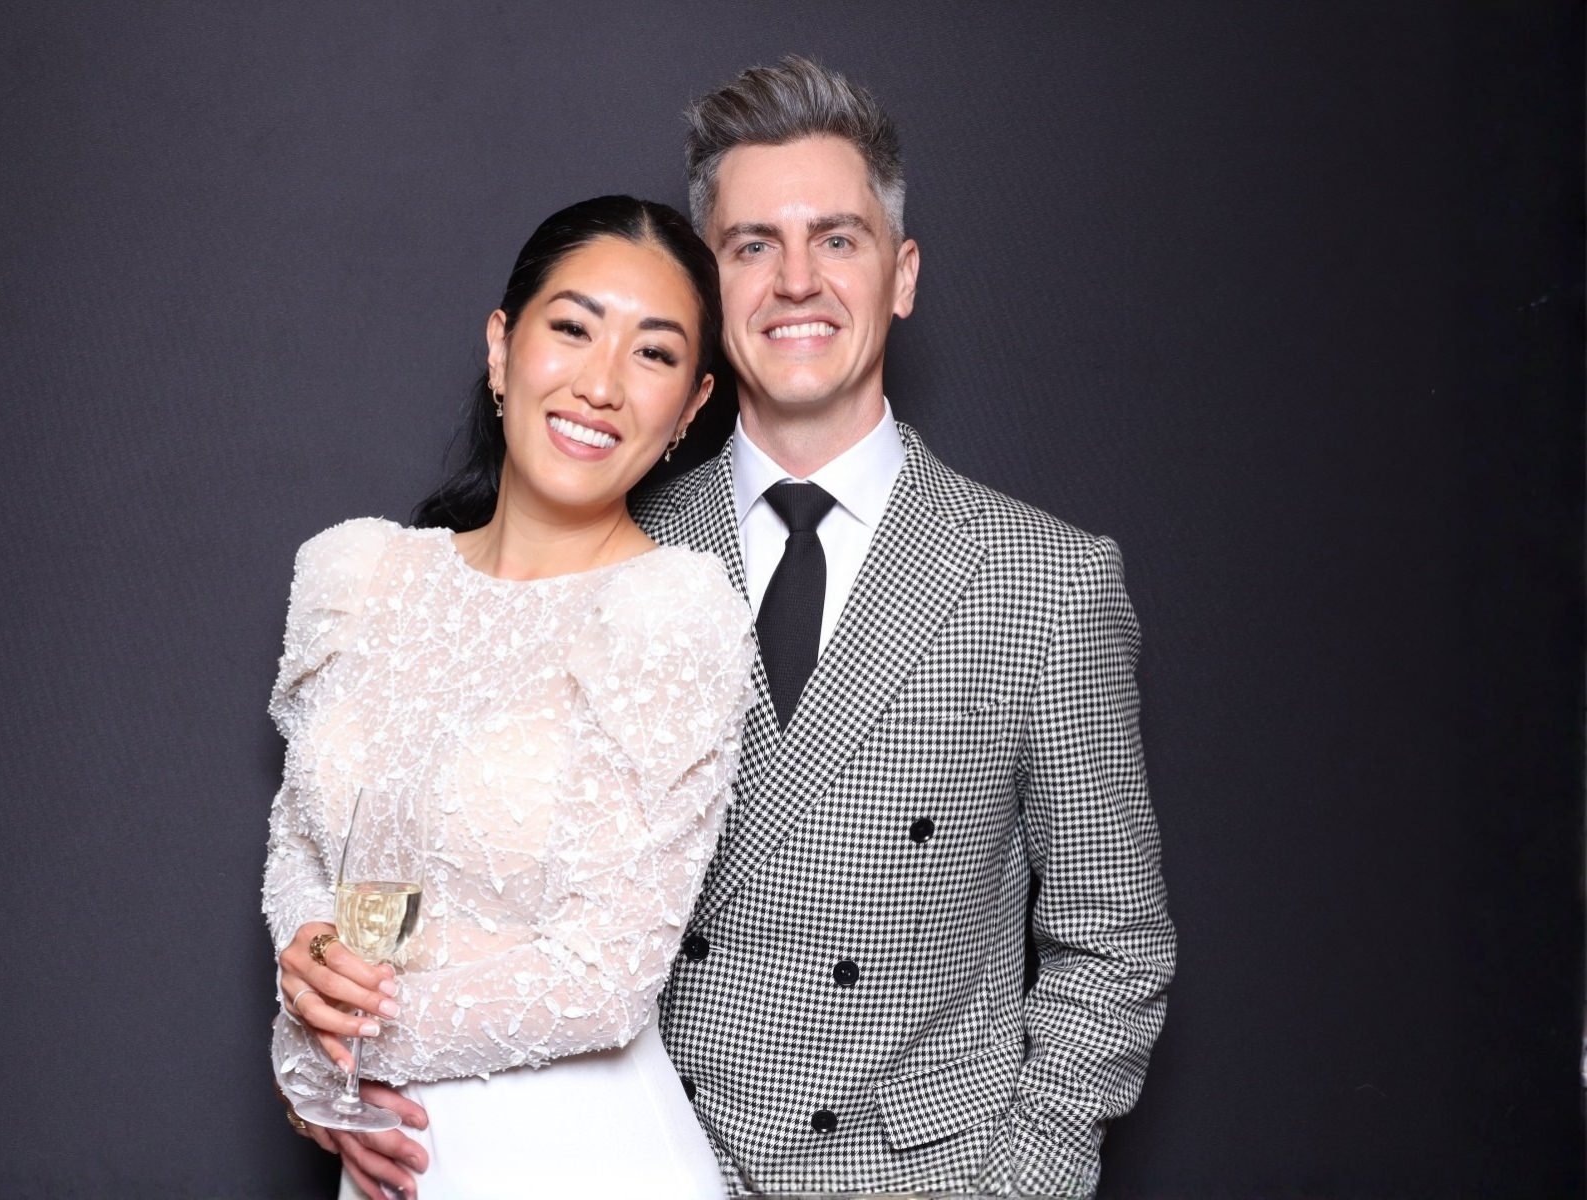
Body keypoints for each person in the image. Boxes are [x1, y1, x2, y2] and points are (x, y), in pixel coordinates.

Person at [338, 56, 1176, 1200]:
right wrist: (335, 1005)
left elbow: (1110, 947)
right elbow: (430, 833)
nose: (796, 281)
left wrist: (1023, 1183)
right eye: (751, 246)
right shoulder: (613, 549)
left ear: (903, 275)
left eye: (838, 239)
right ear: (710, 281)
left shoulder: (1042, 582)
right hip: (629, 1162)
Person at [262, 195, 754, 1199]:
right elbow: (320, 858)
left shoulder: (669, 614)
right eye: (572, 328)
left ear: (691, 408)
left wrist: (336, 1045)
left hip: (580, 1158)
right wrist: (311, 977)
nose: (601, 383)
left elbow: (606, 977)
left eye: (652, 355)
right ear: (502, 345)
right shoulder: (359, 578)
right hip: (394, 1160)